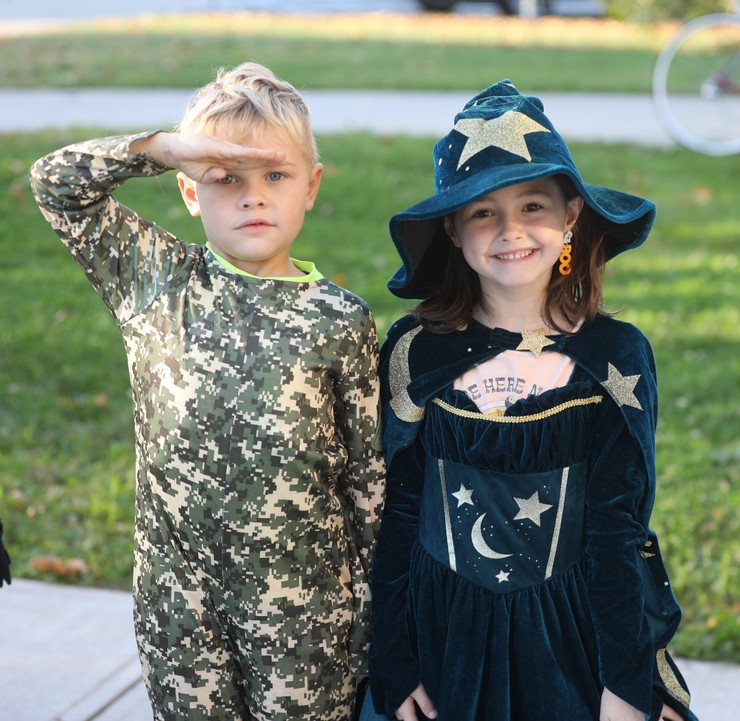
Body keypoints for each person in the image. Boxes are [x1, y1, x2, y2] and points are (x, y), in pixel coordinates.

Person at [30, 62, 385, 721]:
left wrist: (376, 623)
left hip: (306, 619)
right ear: (192, 191)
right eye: (226, 179)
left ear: (311, 187)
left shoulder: (339, 319)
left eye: (274, 175)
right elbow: (54, 185)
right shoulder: (154, 279)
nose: (253, 197)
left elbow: (368, 483)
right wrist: (162, 149)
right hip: (180, 613)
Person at [363, 80, 698, 721]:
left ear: (570, 215)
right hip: (442, 635)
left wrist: (625, 683)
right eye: (483, 211)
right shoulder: (416, 350)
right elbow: (397, 513)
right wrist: (395, 659)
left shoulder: (614, 358)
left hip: (568, 640)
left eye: (533, 206)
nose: (510, 230)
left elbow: (618, 530)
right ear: (453, 231)